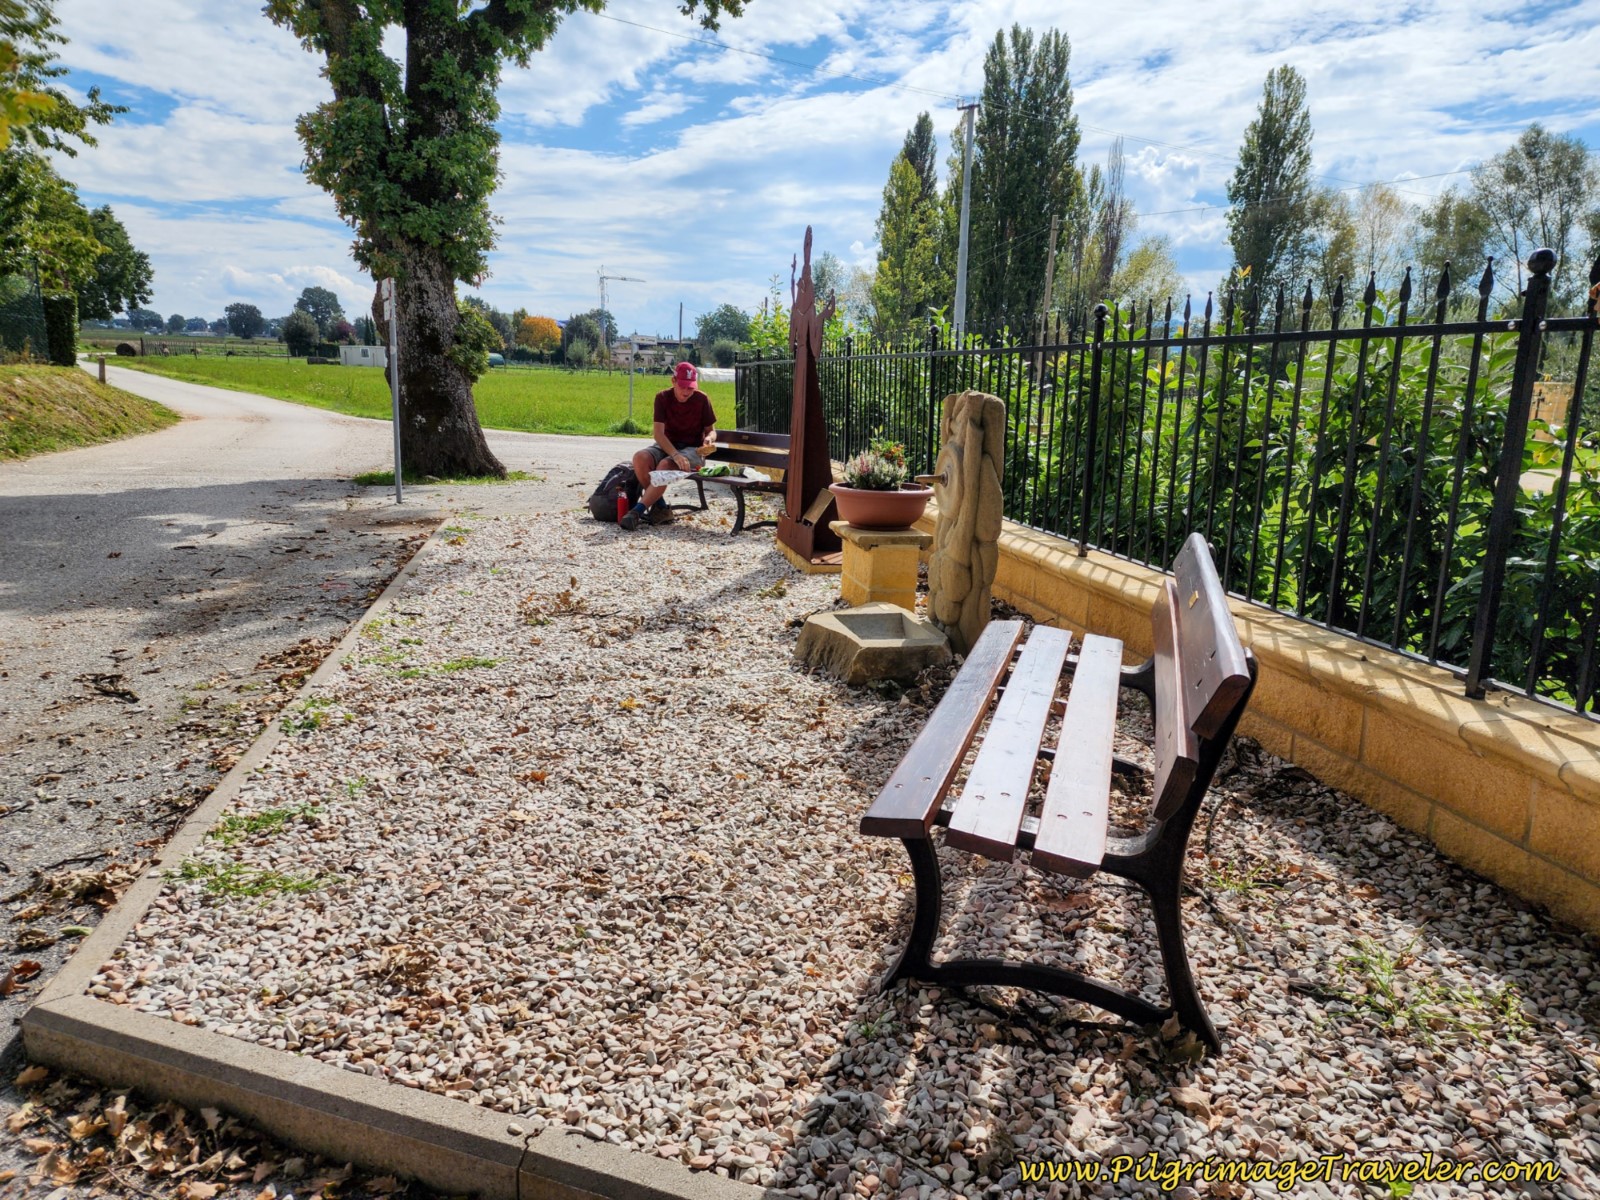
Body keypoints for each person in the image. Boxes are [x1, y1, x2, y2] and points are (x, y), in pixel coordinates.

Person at [620, 361, 716, 531]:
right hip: (667, 446)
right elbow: (658, 434)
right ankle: (661, 507)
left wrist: (709, 439)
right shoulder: (662, 398)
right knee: (640, 458)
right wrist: (675, 455)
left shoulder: (702, 399)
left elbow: (712, 431)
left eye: (691, 388)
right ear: (673, 381)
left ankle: (637, 511)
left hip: (693, 450)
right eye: (683, 386)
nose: (687, 392)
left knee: (664, 466)